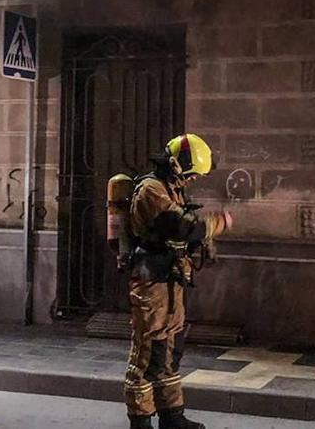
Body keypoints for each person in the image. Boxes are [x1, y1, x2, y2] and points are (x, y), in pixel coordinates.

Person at [123, 133, 232, 429]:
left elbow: (181, 230)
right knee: (148, 353)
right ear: (177, 164)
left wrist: (202, 244)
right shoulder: (151, 190)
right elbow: (181, 225)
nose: (193, 180)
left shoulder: (173, 189)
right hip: (151, 282)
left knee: (170, 350)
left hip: (170, 281)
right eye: (192, 173)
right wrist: (216, 224)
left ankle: (172, 416)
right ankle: (141, 420)